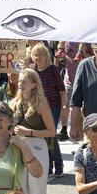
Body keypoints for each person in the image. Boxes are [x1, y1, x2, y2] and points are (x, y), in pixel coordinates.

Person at [10, 68, 56, 194]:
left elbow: (52, 132)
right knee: (21, 188)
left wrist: (28, 132)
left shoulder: (41, 104)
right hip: (18, 148)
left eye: (24, 81)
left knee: (37, 190)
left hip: (37, 148)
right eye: (20, 81)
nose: (20, 84)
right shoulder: (14, 102)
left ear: (34, 85)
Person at [31, 42, 66, 178]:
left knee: (51, 135)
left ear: (46, 56)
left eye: (40, 55)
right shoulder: (33, 70)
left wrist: (64, 107)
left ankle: (58, 165)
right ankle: (49, 166)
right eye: (35, 55)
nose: (37, 58)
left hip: (53, 106)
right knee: (44, 137)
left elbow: (62, 90)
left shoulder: (52, 70)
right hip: (38, 107)